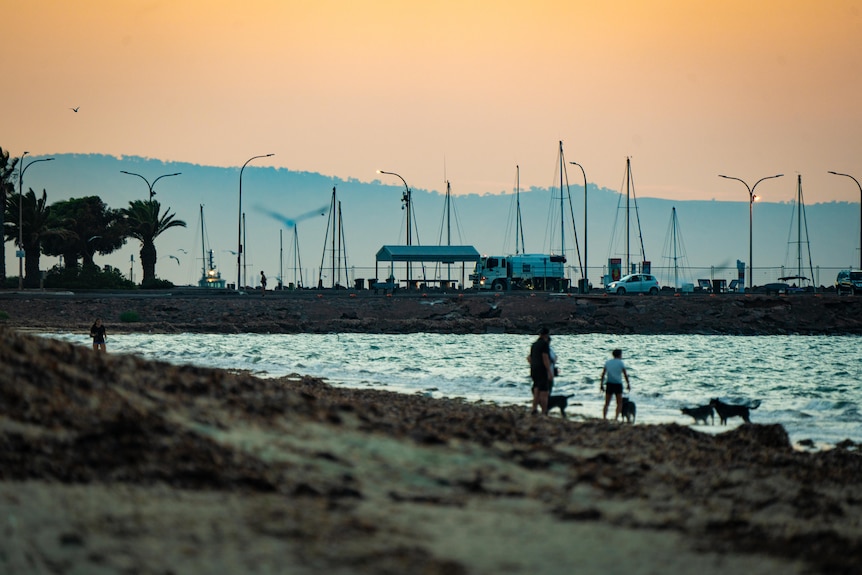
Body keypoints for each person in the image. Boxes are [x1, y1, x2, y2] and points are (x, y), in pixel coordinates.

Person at [527, 327, 554, 415]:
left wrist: (533, 365)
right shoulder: (544, 344)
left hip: (534, 369)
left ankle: (534, 409)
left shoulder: (534, 344)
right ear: (547, 335)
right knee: (544, 392)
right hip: (542, 370)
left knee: (536, 389)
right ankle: (544, 411)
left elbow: (529, 358)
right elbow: (545, 358)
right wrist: (549, 371)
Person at [600, 348, 630, 420]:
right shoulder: (621, 363)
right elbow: (625, 374)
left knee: (607, 403)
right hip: (618, 384)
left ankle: (604, 417)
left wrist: (601, 384)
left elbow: (603, 374)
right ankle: (616, 418)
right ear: (620, 355)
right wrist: (628, 384)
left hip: (609, 383)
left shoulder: (608, 362)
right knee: (619, 403)